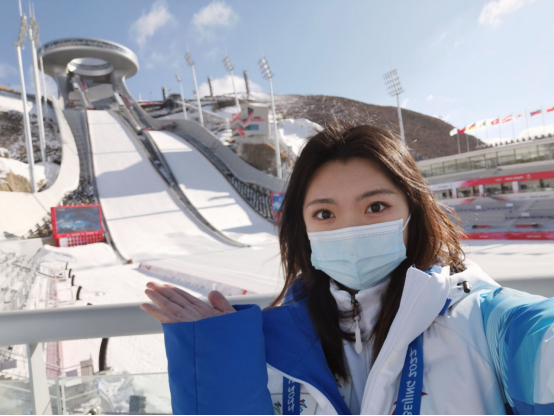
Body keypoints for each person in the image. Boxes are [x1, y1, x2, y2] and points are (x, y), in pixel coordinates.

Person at [141, 122, 554, 415]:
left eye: (376, 207)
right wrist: (218, 366)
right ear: (303, 229)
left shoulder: (483, 321)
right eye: (325, 214)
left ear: (413, 213)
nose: (351, 230)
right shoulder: (261, 345)